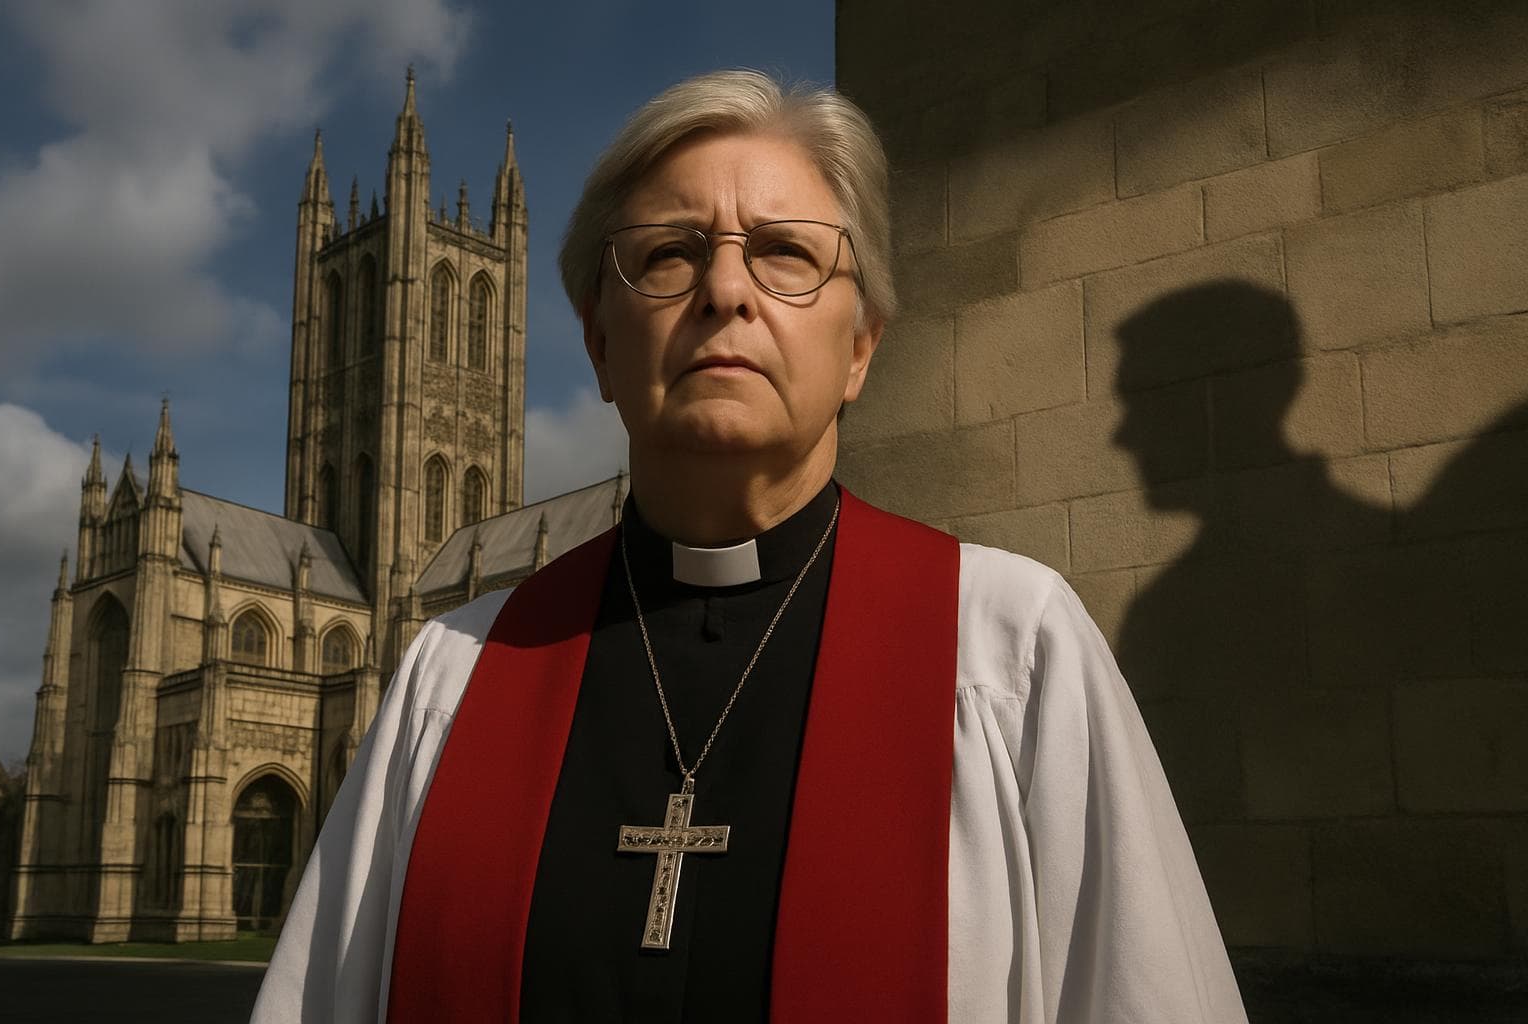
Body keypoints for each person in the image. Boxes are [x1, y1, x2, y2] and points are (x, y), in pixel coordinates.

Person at [250, 69, 1247, 1023]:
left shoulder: (1010, 653)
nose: (725, 289)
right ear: (599, 345)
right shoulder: (455, 676)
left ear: (861, 348)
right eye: (669, 254)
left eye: (785, 252)